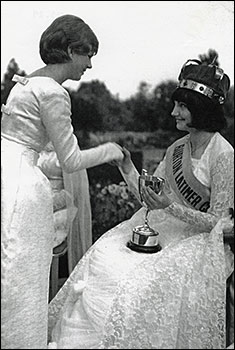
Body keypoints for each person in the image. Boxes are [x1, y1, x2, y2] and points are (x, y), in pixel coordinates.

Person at [47, 58, 234, 349]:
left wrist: (169, 206)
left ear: (202, 108)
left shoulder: (223, 155)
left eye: (182, 106)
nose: (174, 112)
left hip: (197, 243)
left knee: (135, 279)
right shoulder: (177, 148)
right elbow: (149, 196)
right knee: (104, 255)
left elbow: (220, 223)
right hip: (165, 227)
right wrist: (126, 166)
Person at [1, 14, 124, 349]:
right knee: (22, 276)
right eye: (88, 56)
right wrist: (111, 150)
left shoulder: (23, 83)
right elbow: (70, 160)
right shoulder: (53, 92)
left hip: (4, 175)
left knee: (7, 268)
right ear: (71, 51)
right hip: (22, 186)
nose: (89, 66)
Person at [38, 142, 92, 275]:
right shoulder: (33, 140)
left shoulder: (66, 145)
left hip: (59, 207)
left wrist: (47, 204)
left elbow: (74, 191)